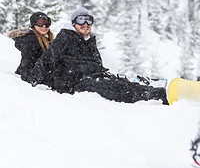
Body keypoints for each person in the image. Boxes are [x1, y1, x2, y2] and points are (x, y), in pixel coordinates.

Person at [28, 7, 169, 105]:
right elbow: (47, 60)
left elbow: (97, 64)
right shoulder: (65, 37)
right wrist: (33, 80)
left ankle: (156, 89)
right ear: (74, 23)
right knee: (115, 88)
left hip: (93, 77)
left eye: (89, 20)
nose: (85, 24)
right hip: (75, 83)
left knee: (120, 82)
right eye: (81, 20)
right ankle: (153, 95)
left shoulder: (90, 41)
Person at [8, 12, 54, 82]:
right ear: (33, 24)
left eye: (47, 23)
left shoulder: (46, 38)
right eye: (40, 23)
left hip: (41, 77)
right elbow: (27, 63)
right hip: (33, 79)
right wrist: (31, 82)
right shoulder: (31, 40)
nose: (44, 26)